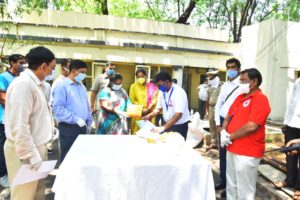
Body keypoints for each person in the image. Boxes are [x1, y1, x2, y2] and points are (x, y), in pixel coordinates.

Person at [4, 46, 56, 200]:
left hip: (36, 148)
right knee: (24, 196)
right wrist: (33, 158)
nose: (53, 72)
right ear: (43, 66)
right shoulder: (24, 85)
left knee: (37, 193)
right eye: (52, 68)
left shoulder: (36, 84)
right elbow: (19, 127)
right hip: (25, 151)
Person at [221, 68, 271, 199]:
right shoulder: (240, 97)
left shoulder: (260, 99)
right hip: (231, 146)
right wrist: (223, 131)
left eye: (244, 81)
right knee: (231, 184)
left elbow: (252, 126)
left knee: (245, 189)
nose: (241, 83)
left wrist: (229, 136)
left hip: (247, 151)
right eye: (240, 80)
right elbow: (228, 116)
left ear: (254, 82)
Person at [52, 60, 92, 162]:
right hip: (69, 128)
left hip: (82, 127)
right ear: (73, 71)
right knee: (68, 157)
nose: (84, 75)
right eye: (82, 72)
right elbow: (57, 109)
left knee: (81, 158)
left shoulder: (82, 86)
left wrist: (89, 121)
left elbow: (86, 106)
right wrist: (75, 119)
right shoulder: (62, 86)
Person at [214, 58, 241, 197]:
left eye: (233, 67)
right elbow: (218, 104)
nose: (231, 70)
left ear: (239, 69)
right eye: (228, 67)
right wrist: (217, 124)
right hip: (221, 121)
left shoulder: (243, 86)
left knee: (233, 154)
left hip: (234, 122)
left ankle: (231, 186)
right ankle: (223, 181)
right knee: (223, 152)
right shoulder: (225, 85)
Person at [0, 54, 26, 188]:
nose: (23, 65)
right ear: (12, 63)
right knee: (4, 147)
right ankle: (2, 174)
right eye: (20, 63)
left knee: (16, 148)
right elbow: (3, 98)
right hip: (5, 119)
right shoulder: (3, 77)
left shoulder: (21, 78)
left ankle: (14, 172)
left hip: (18, 119)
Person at [273, 77, 300, 200]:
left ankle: (299, 187)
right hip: (292, 123)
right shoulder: (298, 81)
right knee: (290, 154)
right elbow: (291, 102)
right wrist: (286, 121)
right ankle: (290, 180)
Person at [143, 71, 190, 140]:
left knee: (177, 148)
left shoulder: (179, 92)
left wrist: (163, 127)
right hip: (167, 124)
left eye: (159, 85)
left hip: (179, 126)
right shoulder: (162, 92)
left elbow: (178, 115)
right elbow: (158, 109)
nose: (158, 88)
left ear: (167, 82)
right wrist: (149, 115)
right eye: (157, 86)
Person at [129, 68, 157, 134]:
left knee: (149, 134)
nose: (140, 78)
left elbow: (155, 98)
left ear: (146, 76)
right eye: (138, 77)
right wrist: (142, 109)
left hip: (150, 113)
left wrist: (149, 108)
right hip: (138, 113)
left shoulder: (151, 86)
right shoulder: (133, 86)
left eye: (142, 76)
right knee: (136, 132)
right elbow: (132, 100)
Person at [90, 62, 116, 133]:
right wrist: (92, 107)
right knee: (99, 129)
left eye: (114, 69)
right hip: (100, 108)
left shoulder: (115, 79)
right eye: (110, 68)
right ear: (105, 68)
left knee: (110, 129)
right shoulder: (100, 78)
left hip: (112, 109)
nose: (112, 70)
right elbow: (93, 93)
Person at [206, 70, 222, 151]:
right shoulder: (209, 87)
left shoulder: (222, 86)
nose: (210, 79)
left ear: (216, 77)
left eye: (211, 78)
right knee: (211, 124)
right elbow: (207, 99)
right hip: (211, 108)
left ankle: (220, 144)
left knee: (218, 125)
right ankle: (214, 143)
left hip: (219, 108)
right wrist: (207, 110)